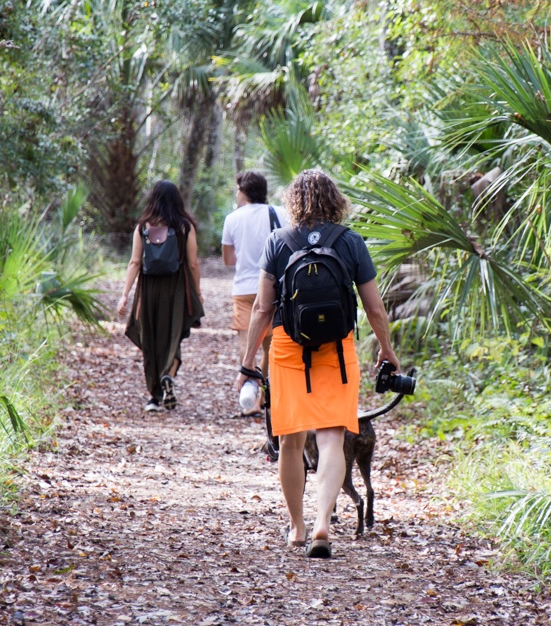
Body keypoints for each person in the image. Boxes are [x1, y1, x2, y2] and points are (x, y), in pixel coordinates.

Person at [235, 170, 400, 558]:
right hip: (338, 352)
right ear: (335, 201)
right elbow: (374, 308)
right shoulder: (351, 242)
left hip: (288, 350)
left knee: (291, 442)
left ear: (294, 202)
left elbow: (262, 308)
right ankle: (323, 524)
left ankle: (297, 527)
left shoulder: (278, 241)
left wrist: (247, 363)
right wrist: (388, 351)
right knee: (330, 438)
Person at [118, 180, 204, 412]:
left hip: (148, 290)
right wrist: (197, 292)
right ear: (177, 200)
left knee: (151, 338)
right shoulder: (185, 227)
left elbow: (135, 262)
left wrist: (125, 295)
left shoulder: (143, 227)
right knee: (173, 334)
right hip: (175, 289)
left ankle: (154, 397)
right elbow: (193, 264)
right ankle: (168, 375)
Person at [221, 171, 290, 415]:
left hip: (243, 288)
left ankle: (248, 397)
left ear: (245, 191)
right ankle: (264, 396)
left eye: (238, 189)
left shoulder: (233, 219)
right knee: (271, 346)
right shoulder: (281, 213)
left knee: (245, 343)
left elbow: (228, 260)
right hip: (275, 288)